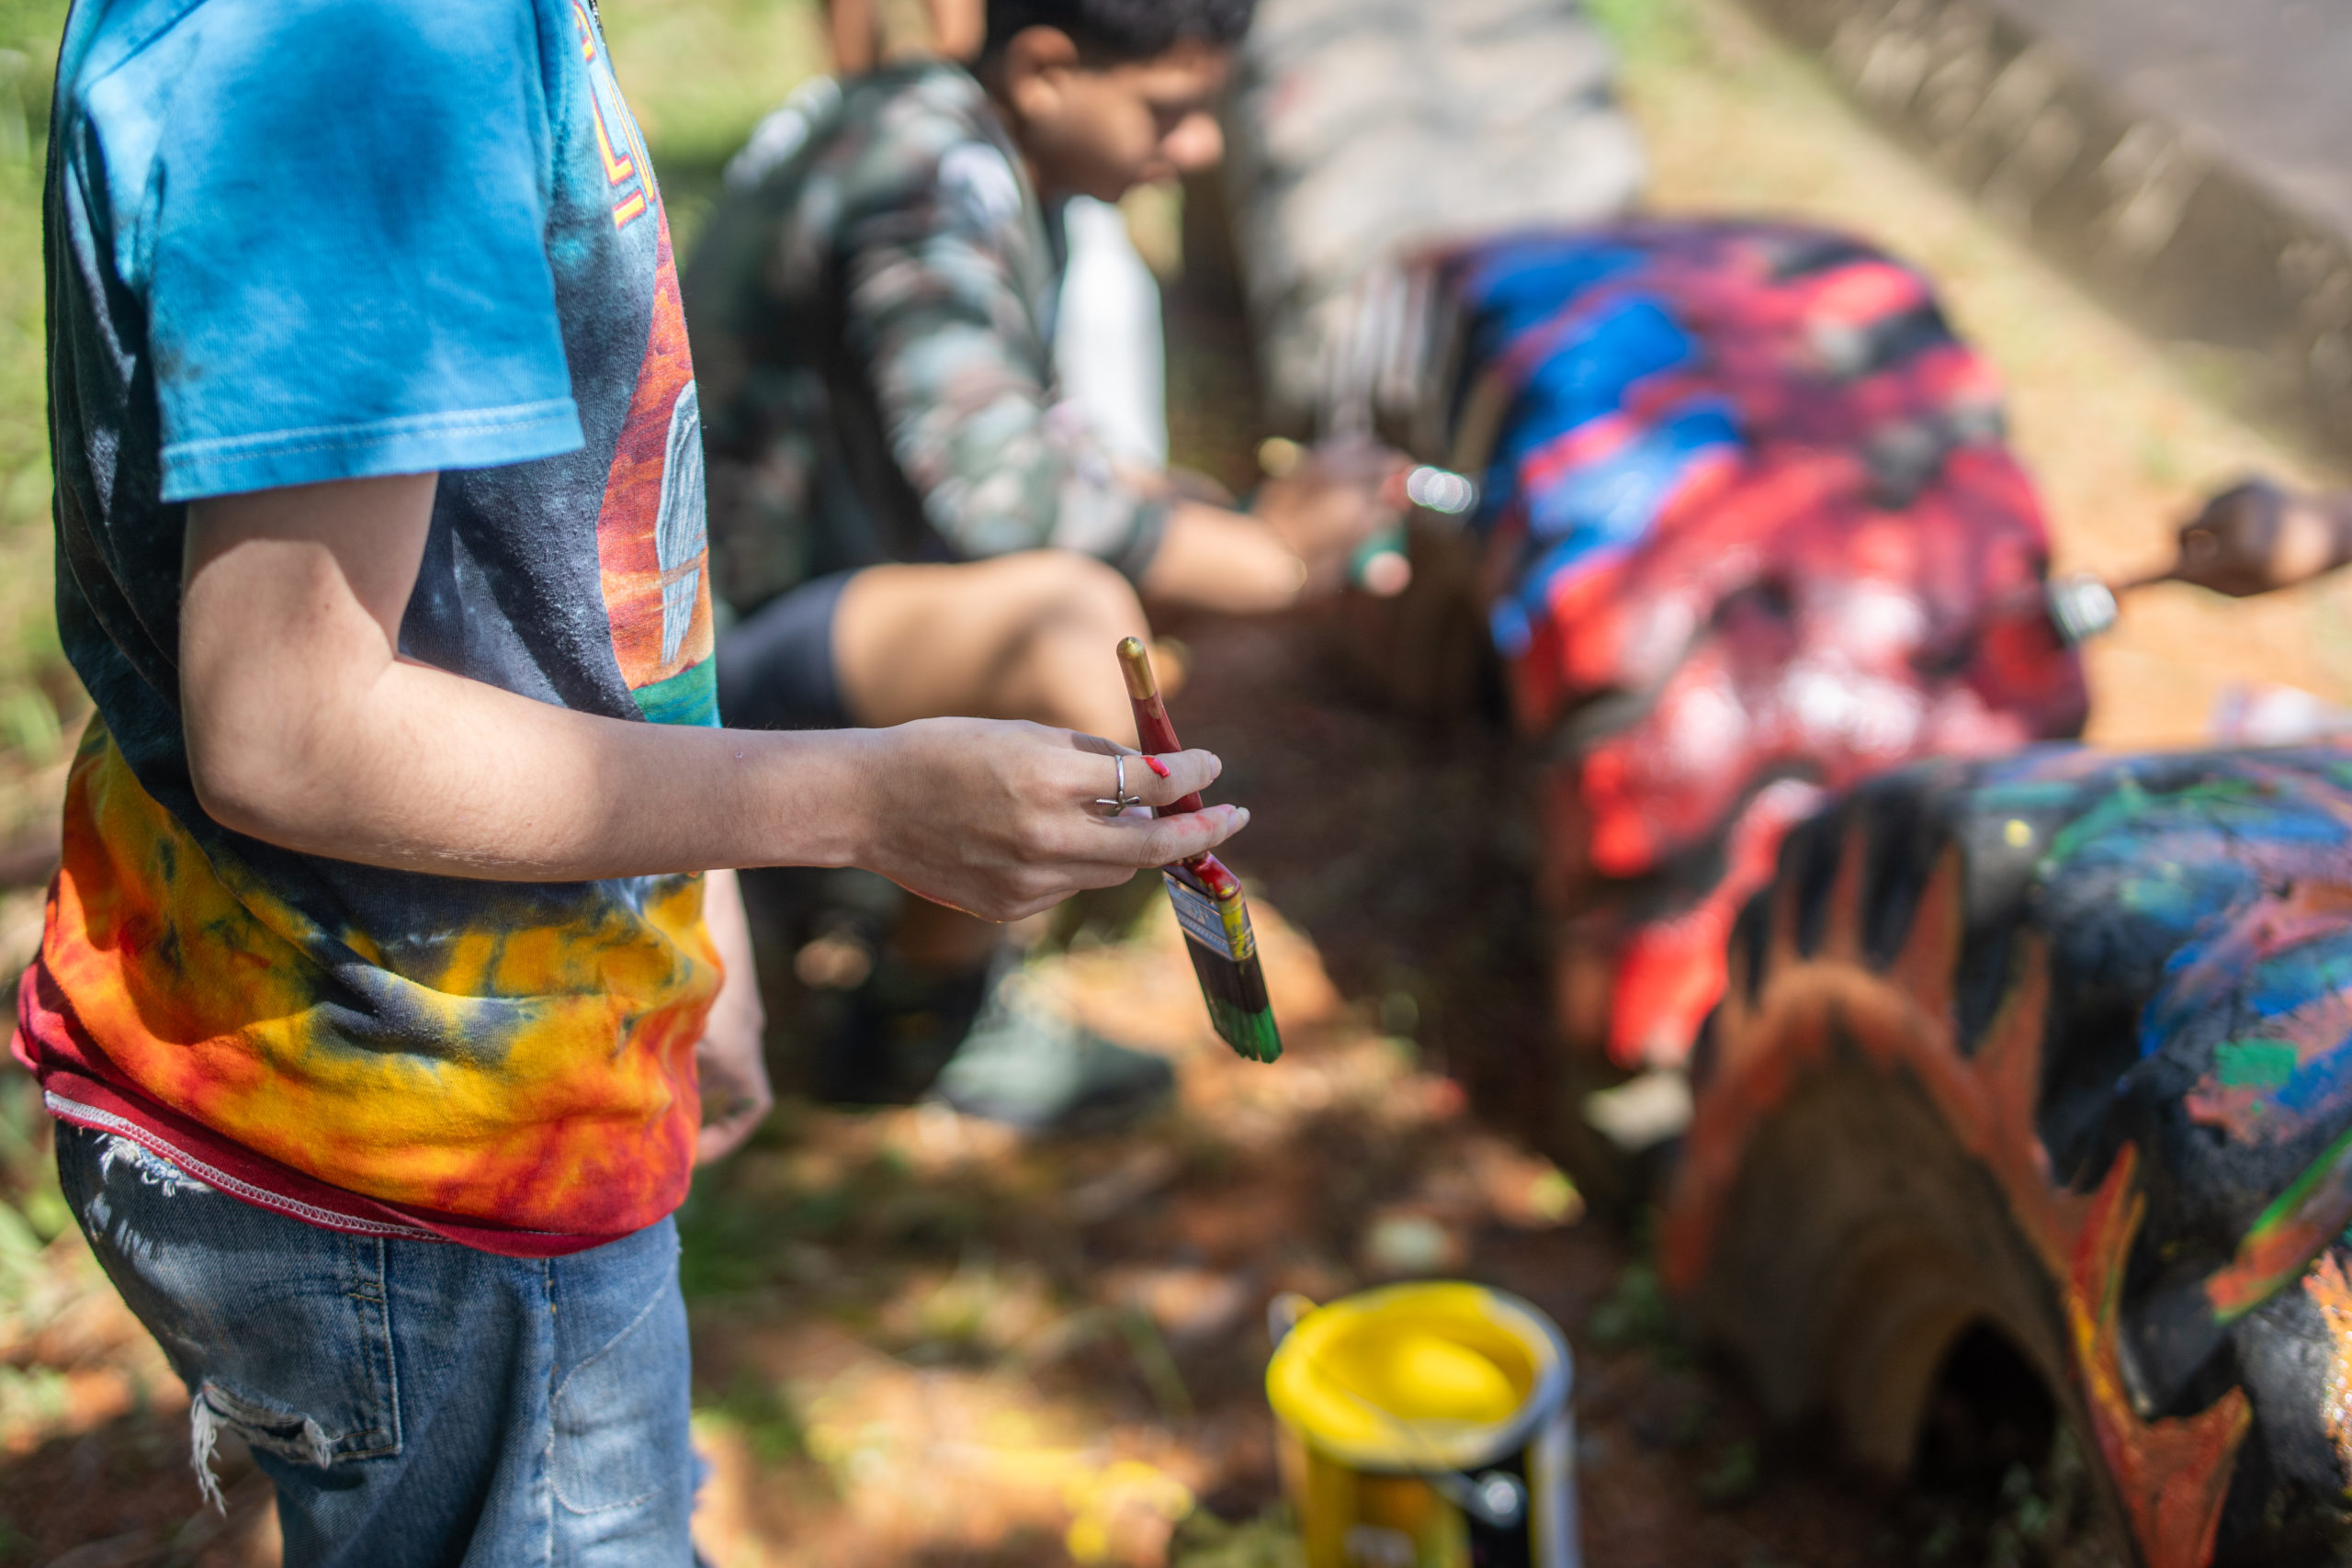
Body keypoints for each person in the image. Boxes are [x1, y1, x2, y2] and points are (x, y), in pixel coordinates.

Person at [18, 2, 1246, 1560]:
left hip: (428, 1074)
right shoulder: (375, 43)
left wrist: (694, 897)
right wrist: (866, 803)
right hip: (414, 1139)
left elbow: (566, 537)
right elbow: (293, 727)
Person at [687, 0, 1391, 1130]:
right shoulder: (927, 171)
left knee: (1141, 577)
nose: (1198, 147)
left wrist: (1232, 518)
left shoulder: (969, 144)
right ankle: (918, 1024)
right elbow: (1000, 493)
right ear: (1050, 69)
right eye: (1170, 109)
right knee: (1071, 622)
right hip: (704, 688)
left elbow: (1042, 438)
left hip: (800, 620)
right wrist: (1263, 558)